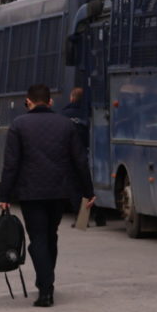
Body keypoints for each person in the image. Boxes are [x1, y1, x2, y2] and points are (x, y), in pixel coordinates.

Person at [0, 83, 88, 308]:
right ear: (50, 102)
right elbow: (80, 160)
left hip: (31, 192)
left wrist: (5, 195)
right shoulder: (65, 124)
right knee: (51, 235)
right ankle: (47, 281)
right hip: (59, 191)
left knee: (37, 238)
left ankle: (45, 289)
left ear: (28, 101)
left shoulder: (19, 125)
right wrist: (89, 191)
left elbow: (11, 164)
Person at [62, 84, 95, 227]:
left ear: (71, 98)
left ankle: (81, 220)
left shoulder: (63, 115)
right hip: (86, 152)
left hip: (69, 156)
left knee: (74, 188)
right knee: (87, 186)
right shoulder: (88, 113)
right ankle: (97, 217)